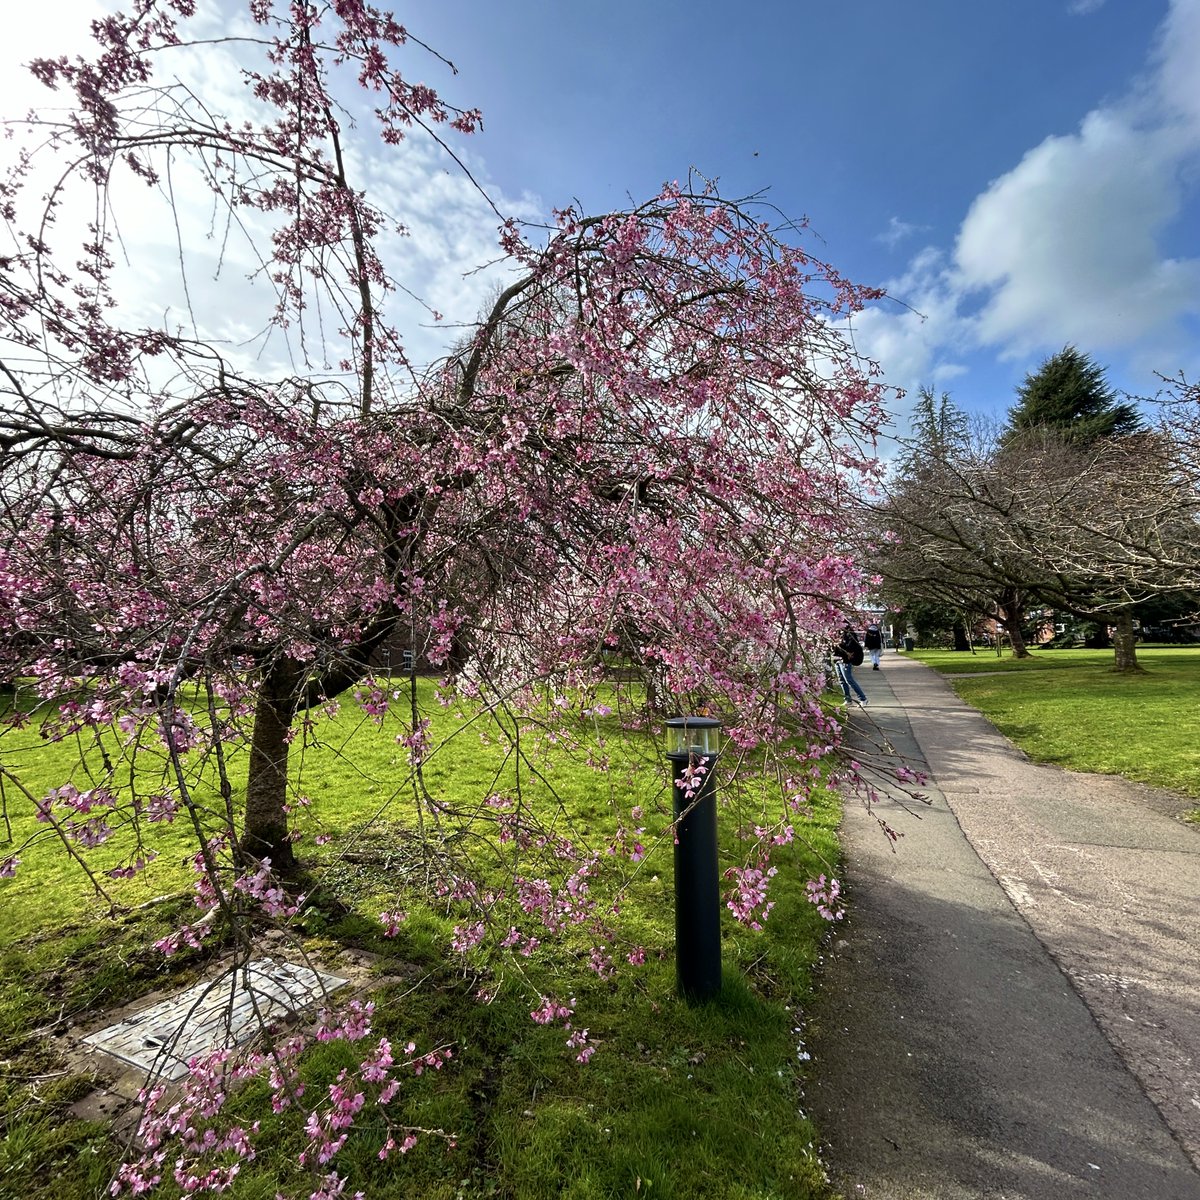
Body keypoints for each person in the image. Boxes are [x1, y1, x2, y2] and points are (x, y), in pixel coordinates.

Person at [831, 624, 868, 706]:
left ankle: (863, 698)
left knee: (849, 680)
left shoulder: (849, 634)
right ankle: (848, 699)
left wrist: (839, 644)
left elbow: (851, 647)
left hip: (845, 660)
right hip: (837, 659)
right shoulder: (836, 633)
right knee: (842, 681)